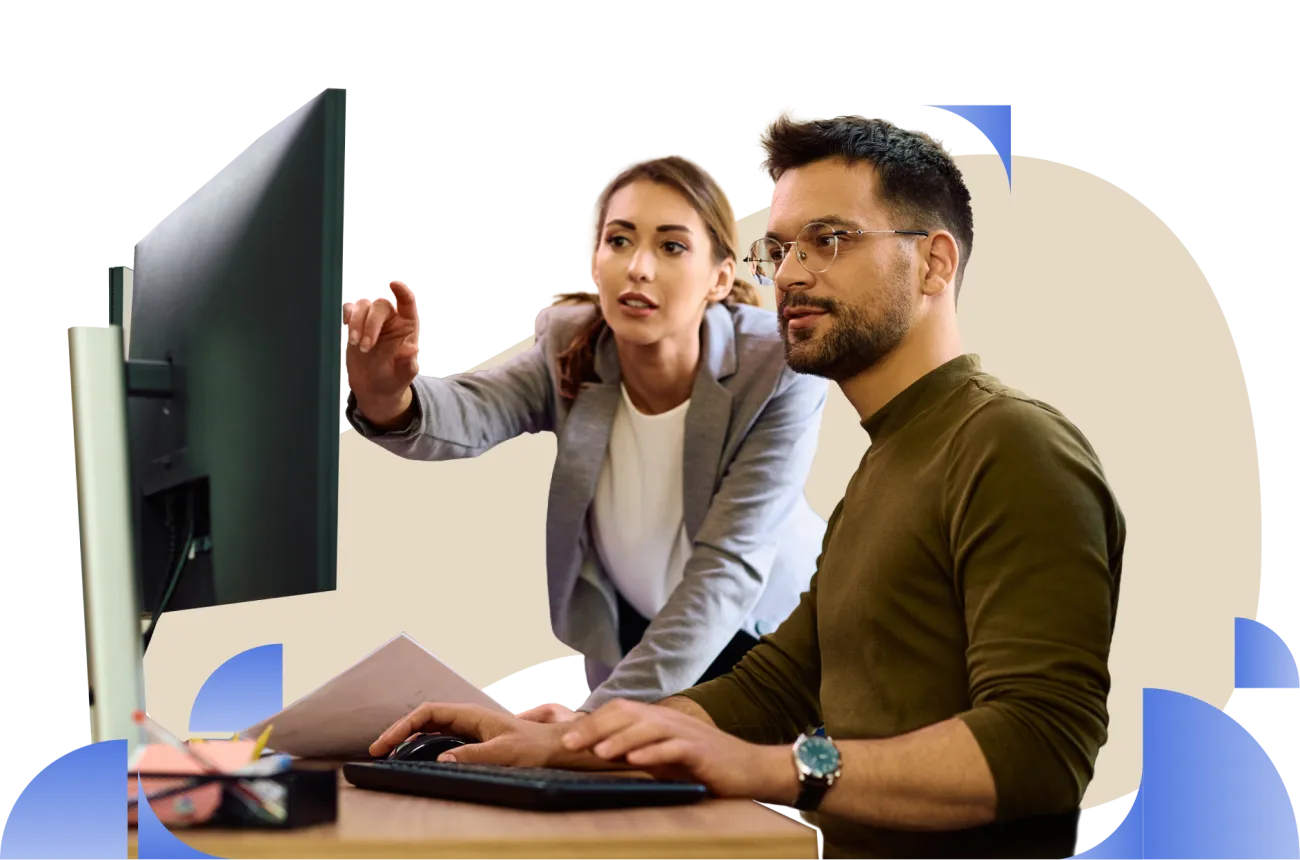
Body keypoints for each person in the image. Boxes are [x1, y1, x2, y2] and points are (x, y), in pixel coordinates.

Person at [369, 109, 1127, 860]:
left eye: (828, 240)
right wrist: (576, 738)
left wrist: (774, 768)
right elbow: (777, 686)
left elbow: (1042, 748)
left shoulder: (1012, 444)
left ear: (933, 263)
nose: (792, 273)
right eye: (782, 248)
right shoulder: (884, 463)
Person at [343, 153, 830, 714]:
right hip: (637, 641)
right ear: (594, 262)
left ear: (719, 277)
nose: (638, 267)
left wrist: (587, 721)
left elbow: (727, 569)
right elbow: (469, 413)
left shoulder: (776, 367)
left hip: (768, 645)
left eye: (671, 246)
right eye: (619, 241)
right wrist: (387, 396)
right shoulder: (572, 345)